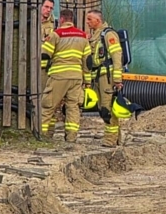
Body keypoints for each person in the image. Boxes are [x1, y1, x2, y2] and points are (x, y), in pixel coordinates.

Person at [40, 9, 91, 143]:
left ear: (61, 20)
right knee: (73, 107)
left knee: (48, 106)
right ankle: (71, 137)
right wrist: (87, 80)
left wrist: (43, 70)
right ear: (72, 20)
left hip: (59, 76)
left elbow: (45, 55)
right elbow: (88, 61)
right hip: (76, 77)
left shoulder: (56, 35)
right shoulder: (83, 36)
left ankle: (43, 135)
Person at [86, 9, 125, 147]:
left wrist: (117, 79)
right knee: (102, 108)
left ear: (98, 20)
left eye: (90, 19)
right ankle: (118, 138)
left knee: (107, 110)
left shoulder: (109, 34)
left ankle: (110, 140)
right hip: (97, 77)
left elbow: (116, 56)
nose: (87, 22)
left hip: (107, 78)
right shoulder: (95, 36)